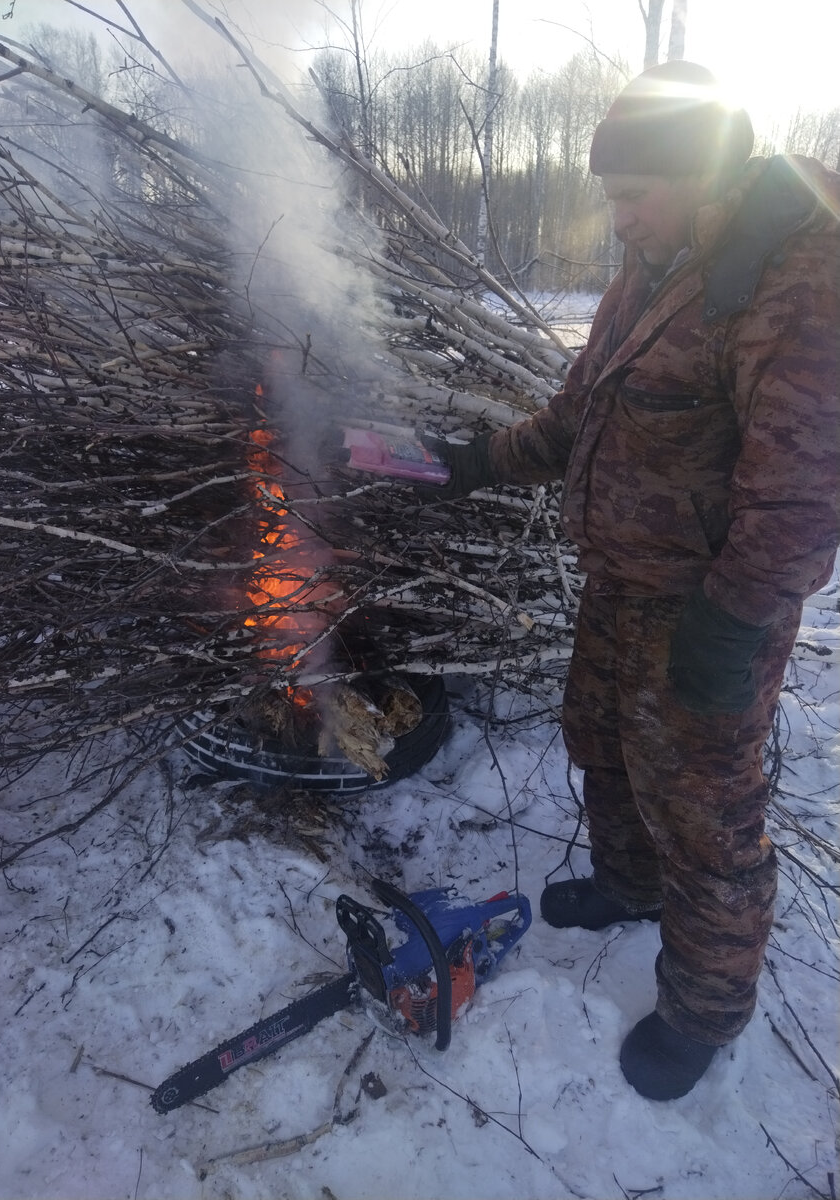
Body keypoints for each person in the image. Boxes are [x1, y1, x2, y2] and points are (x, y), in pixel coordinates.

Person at [425, 61, 840, 1100]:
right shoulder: (653, 268)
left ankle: (704, 1008)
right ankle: (627, 884)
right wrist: (478, 458)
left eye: (630, 196)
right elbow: (580, 416)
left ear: (698, 174)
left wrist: (733, 621)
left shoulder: (790, 274)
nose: (616, 221)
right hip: (619, 582)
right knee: (605, 746)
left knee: (706, 808)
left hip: (707, 609)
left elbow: (802, 488)